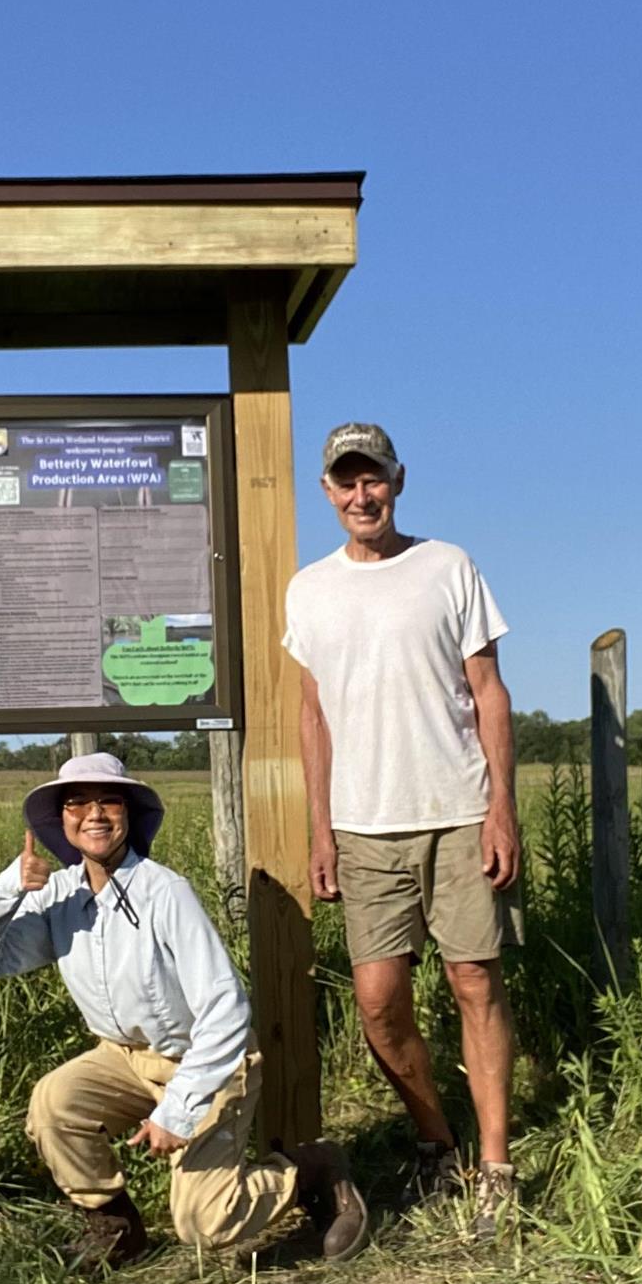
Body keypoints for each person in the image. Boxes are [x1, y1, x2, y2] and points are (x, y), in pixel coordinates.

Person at [0, 752, 368, 1269]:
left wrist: (179, 1109)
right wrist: (7, 887)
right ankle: (115, 1226)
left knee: (204, 1225)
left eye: (109, 800)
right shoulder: (58, 895)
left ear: (129, 814)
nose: (94, 814)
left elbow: (225, 1009)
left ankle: (311, 1171)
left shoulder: (165, 892)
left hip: (207, 1060)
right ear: (60, 820)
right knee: (54, 1103)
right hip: (123, 1058)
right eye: (77, 802)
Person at [284, 423, 520, 1241]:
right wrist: (321, 828)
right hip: (362, 822)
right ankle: (436, 1141)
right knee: (380, 1005)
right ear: (326, 492)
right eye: (345, 482)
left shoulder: (447, 567)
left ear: (397, 481)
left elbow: (487, 692)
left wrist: (499, 807)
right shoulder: (307, 590)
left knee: (473, 984)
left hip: (455, 810)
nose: (361, 495)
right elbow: (312, 714)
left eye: (373, 479)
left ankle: (493, 1165)